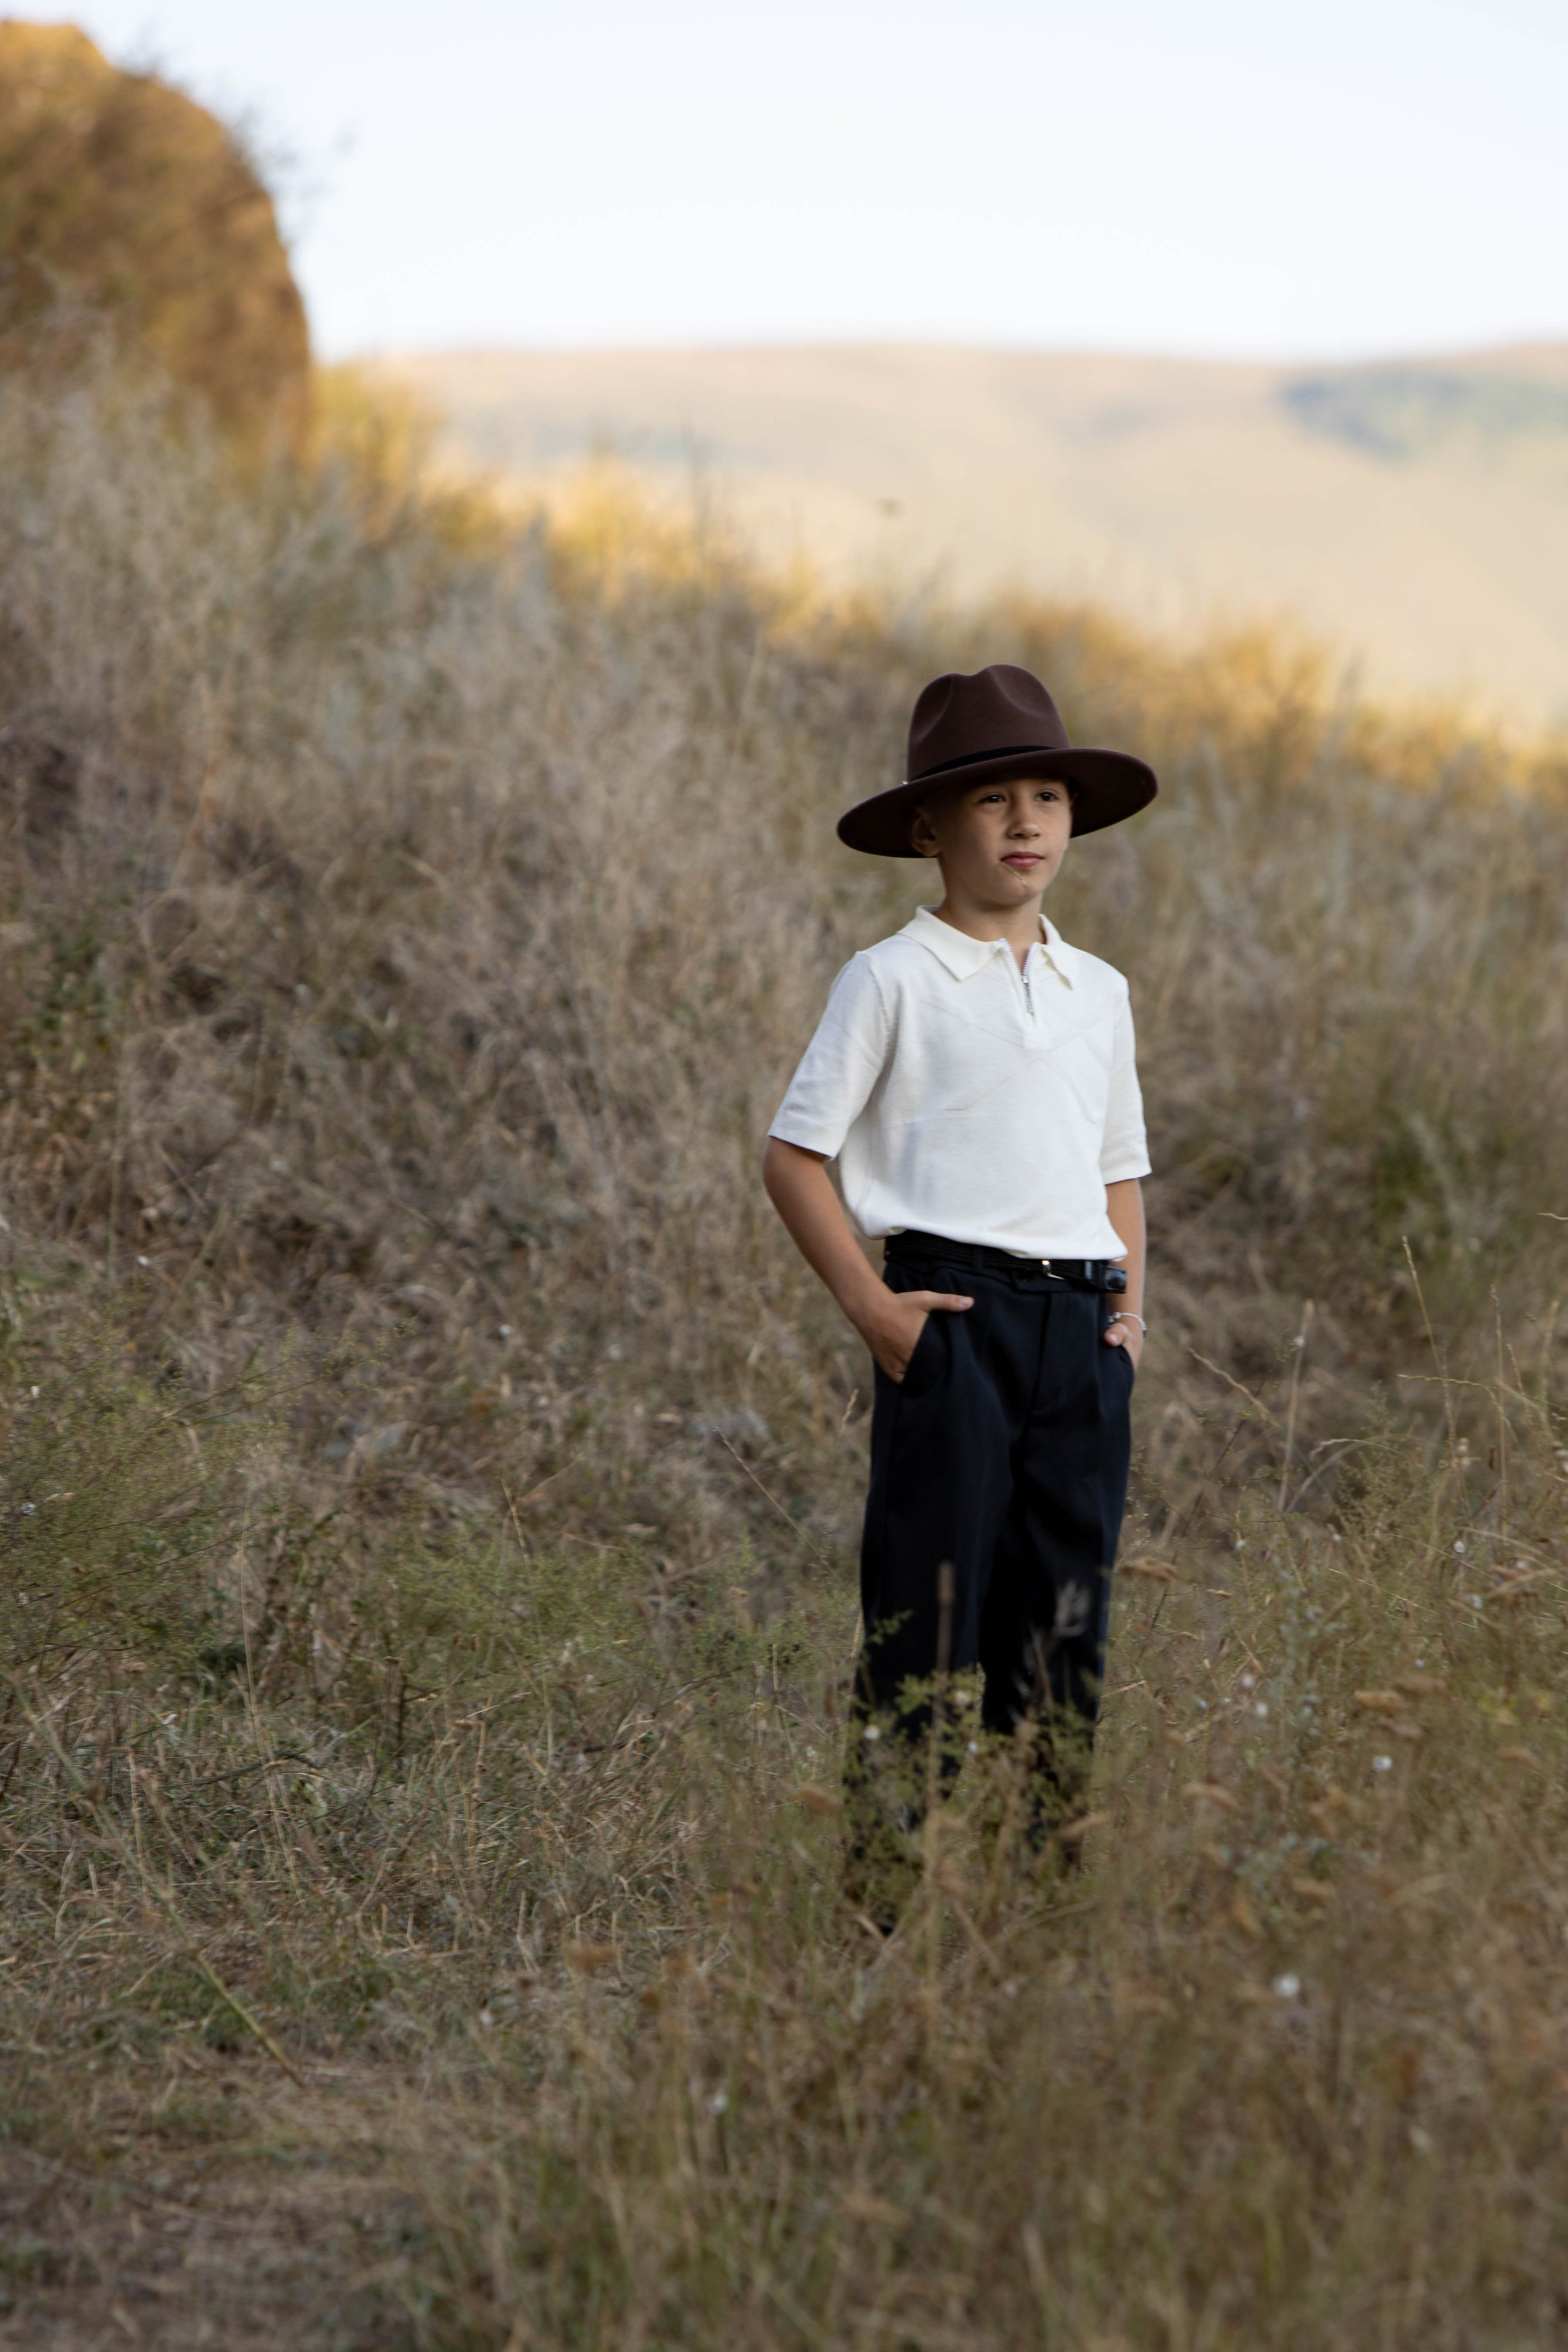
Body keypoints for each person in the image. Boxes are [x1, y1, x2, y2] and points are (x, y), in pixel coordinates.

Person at [762, 663, 1156, 1918]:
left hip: (1079, 1335)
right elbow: (793, 1157)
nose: (1028, 822)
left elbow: (1117, 1171)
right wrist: (877, 1316)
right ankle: (884, 1917)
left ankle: (1035, 1914)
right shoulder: (889, 977)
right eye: (994, 801)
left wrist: (1127, 1322)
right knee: (929, 1618)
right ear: (930, 828)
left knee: (1065, 1629)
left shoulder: (1097, 991)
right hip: (950, 1322)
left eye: (1047, 795)